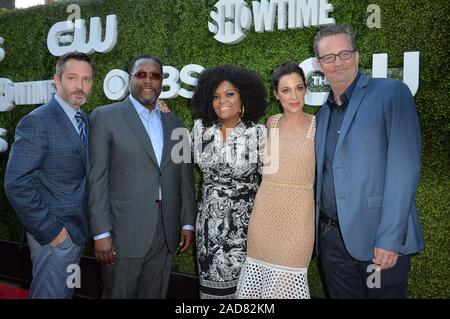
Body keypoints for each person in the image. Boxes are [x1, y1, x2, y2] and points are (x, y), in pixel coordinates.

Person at [314, 25, 425, 298]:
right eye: (329, 57)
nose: (337, 62)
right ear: (319, 64)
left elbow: (404, 168)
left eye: (344, 53)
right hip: (332, 244)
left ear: (357, 55)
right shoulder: (322, 113)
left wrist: (389, 239)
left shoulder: (391, 93)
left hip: (377, 242)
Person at [88, 54, 196, 299]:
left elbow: (184, 177)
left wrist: (187, 221)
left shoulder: (175, 123)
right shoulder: (104, 116)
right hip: (122, 233)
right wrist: (101, 232)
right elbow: (97, 179)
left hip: (165, 232)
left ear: (161, 82)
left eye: (155, 75)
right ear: (130, 80)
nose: (148, 80)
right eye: (141, 74)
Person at [4, 51, 94, 299]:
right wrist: (52, 231)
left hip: (76, 230)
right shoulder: (37, 121)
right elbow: (16, 184)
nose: (80, 86)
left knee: (62, 294)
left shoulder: (83, 119)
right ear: (57, 81)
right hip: (54, 235)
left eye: (86, 80)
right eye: (72, 78)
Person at [236, 62, 315, 299]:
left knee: (286, 287)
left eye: (299, 88)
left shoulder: (318, 125)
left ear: (305, 90)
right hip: (264, 215)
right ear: (276, 94)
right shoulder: (271, 122)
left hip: (298, 219)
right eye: (286, 90)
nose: (294, 96)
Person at [190, 65, 267, 299]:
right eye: (215, 96)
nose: (221, 101)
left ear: (244, 96)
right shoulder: (200, 130)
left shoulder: (258, 134)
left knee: (245, 293)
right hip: (209, 228)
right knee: (212, 293)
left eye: (229, 94)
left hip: (244, 228)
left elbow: (270, 184)